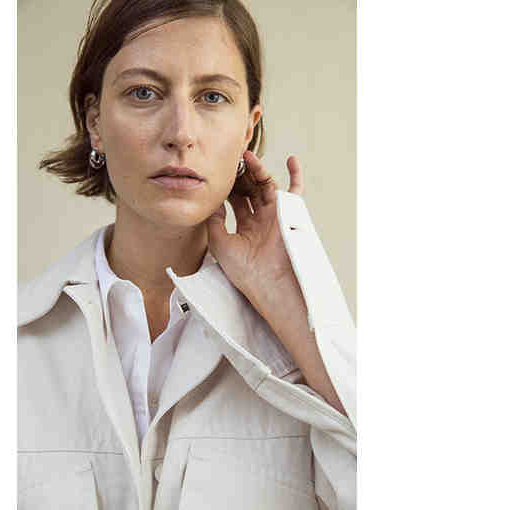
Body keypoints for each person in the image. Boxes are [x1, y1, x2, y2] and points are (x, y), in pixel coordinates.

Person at [18, 1, 356, 509]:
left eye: (212, 97)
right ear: (95, 122)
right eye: (143, 92)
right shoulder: (14, 344)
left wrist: (287, 302)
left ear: (248, 128)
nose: (180, 133)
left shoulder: (298, 353)